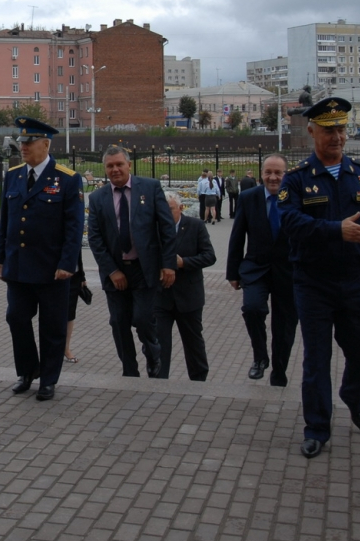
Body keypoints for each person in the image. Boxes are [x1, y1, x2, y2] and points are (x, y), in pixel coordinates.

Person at [278, 97, 360, 460]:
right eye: (329, 130)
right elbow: (290, 222)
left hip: (357, 280)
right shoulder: (297, 179)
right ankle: (317, 428)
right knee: (317, 358)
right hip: (313, 282)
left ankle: (353, 395)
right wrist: (336, 231)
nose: (337, 137)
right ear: (312, 131)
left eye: (342, 129)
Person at [0, 116, 83, 401]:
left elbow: (74, 227)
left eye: (29, 142)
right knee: (16, 318)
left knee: (52, 326)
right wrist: (0, 257)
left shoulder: (66, 178)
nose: (23, 146)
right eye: (21, 141)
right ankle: (27, 371)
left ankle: (48, 379)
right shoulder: (14, 175)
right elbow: (6, 221)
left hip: (51, 268)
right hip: (18, 266)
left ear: (45, 144)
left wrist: (67, 263)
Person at [86, 146, 176, 378]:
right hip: (116, 271)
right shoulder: (97, 198)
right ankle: (130, 370)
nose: (115, 169)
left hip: (144, 269)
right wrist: (112, 271)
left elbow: (166, 228)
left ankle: (153, 351)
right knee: (118, 322)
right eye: (110, 166)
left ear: (129, 165)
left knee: (143, 319)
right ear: (105, 169)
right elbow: (95, 238)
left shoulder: (150, 188)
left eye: (119, 164)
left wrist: (168, 264)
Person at [225, 154, 296, 386]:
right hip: (256, 267)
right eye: (268, 172)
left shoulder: (297, 198)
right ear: (261, 174)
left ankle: (279, 372)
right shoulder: (249, 198)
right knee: (252, 308)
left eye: (278, 173)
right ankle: (260, 357)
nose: (273, 177)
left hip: (288, 271)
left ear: (286, 175)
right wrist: (232, 273)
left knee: (284, 326)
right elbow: (237, 236)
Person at [153, 193, 215, 380]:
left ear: (181, 208)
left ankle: (198, 381)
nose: (165, 214)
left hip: (189, 297)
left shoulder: (195, 226)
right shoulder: (153, 228)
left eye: (170, 209)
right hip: (161, 297)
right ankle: (159, 381)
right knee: (159, 343)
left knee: (193, 343)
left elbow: (209, 256)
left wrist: (184, 263)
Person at [64, 252, 90, 364]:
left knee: (70, 313)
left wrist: (82, 276)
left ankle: (66, 348)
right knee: (50, 313)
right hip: (52, 274)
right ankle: (51, 349)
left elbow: (77, 252)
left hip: (73, 276)